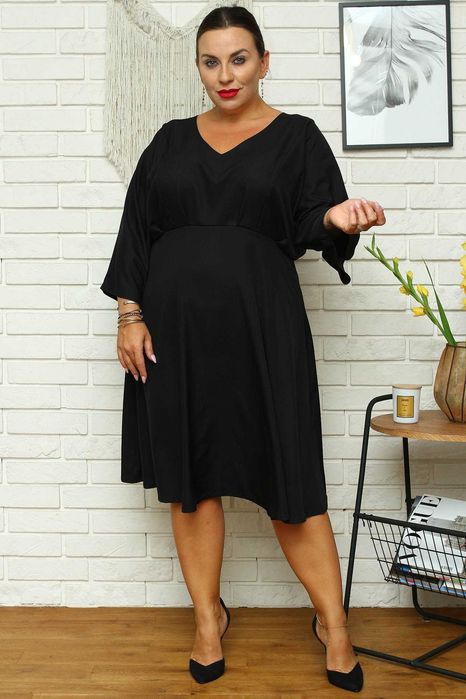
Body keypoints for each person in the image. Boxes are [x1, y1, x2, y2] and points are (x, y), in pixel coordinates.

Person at [100, 4, 386, 691]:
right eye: (210, 61)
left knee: (291, 482)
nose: (224, 75)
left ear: (263, 62)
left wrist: (336, 217)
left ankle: (334, 625)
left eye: (238, 59)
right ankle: (208, 619)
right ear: (197, 67)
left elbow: (316, 218)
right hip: (177, 338)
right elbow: (136, 230)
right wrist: (130, 315)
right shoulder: (169, 140)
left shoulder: (297, 137)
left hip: (264, 330)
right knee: (192, 484)